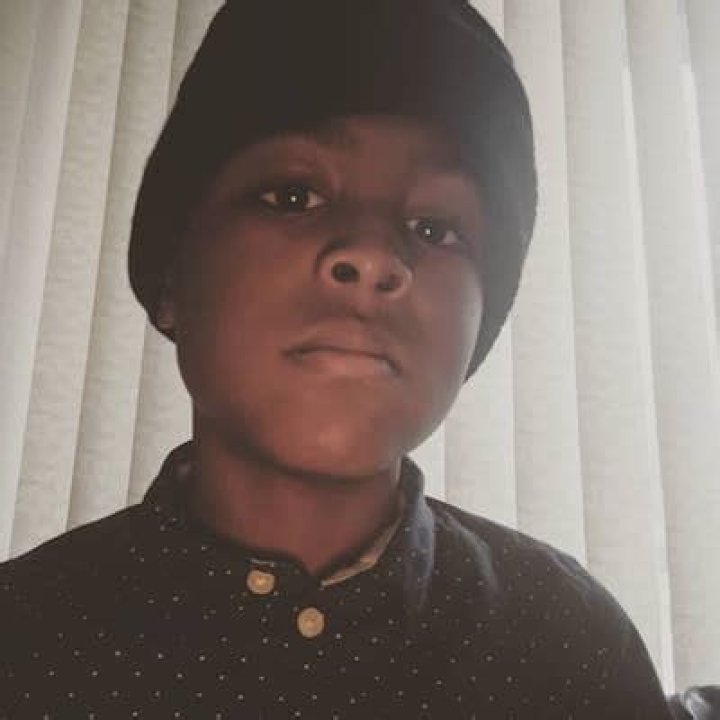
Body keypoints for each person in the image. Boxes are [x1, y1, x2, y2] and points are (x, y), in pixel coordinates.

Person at [0, 0, 674, 717]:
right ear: (173, 278)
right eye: (293, 195)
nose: (375, 255)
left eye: (435, 228)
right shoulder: (22, 644)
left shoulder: (573, 651)